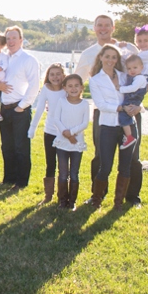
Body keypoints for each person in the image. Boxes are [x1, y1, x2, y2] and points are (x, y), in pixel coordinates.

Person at [73, 15, 142, 204]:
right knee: (100, 156)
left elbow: (141, 79)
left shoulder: (129, 49)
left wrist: (138, 105)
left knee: (132, 157)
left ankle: (131, 197)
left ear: (113, 27)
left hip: (130, 111)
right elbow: (77, 80)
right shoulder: (89, 53)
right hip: (104, 114)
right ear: (94, 28)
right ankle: (98, 195)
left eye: (107, 25)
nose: (103, 29)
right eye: (99, 25)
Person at [85, 45, 141, 209]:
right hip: (108, 127)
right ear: (101, 57)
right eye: (107, 56)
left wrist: (138, 108)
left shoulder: (125, 77)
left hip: (129, 126)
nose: (110, 60)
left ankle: (118, 203)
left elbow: (136, 94)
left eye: (114, 57)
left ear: (117, 60)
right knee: (105, 166)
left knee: (125, 166)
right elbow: (101, 105)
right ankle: (96, 201)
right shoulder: (95, 80)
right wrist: (121, 108)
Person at [0, 26, 41, 190]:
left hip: (19, 109)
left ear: (21, 40)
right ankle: (8, 178)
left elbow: (35, 85)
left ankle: (21, 182)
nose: (11, 41)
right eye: (8, 38)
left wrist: (22, 106)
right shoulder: (3, 59)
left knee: (21, 147)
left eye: (14, 38)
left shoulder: (28, 59)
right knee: (6, 146)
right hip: (4, 108)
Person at [27, 63, 66, 203]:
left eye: (58, 74)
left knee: (64, 165)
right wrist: (32, 128)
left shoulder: (67, 89)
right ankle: (48, 196)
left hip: (65, 133)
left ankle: (63, 196)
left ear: (63, 75)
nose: (55, 77)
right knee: (50, 163)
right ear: (48, 76)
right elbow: (39, 110)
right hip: (50, 131)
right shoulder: (46, 89)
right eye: (52, 74)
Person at [52, 74, 89, 210]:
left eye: (76, 86)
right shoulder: (62, 102)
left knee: (74, 173)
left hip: (76, 143)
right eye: (70, 86)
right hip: (62, 142)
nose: (73, 89)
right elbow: (57, 119)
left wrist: (72, 133)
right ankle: (62, 201)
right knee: (63, 173)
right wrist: (66, 134)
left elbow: (85, 123)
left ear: (81, 87)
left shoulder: (85, 104)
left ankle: (72, 201)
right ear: (65, 88)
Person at [119, 55, 148, 150]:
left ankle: (129, 137)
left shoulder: (140, 78)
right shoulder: (133, 77)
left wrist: (120, 89)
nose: (132, 70)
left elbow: (133, 88)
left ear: (141, 67)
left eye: (135, 68)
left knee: (123, 118)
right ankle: (128, 135)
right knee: (125, 117)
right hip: (131, 99)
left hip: (133, 99)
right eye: (129, 68)